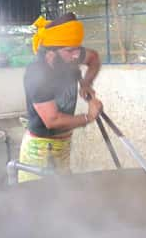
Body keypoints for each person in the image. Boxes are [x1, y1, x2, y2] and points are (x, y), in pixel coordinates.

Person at [20, 13, 102, 182]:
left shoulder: (68, 54)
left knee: (63, 196)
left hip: (64, 143)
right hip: (40, 148)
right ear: (50, 52)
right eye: (70, 51)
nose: (76, 56)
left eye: (77, 49)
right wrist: (89, 117)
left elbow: (94, 58)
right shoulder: (37, 74)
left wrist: (86, 83)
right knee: (37, 200)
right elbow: (53, 120)